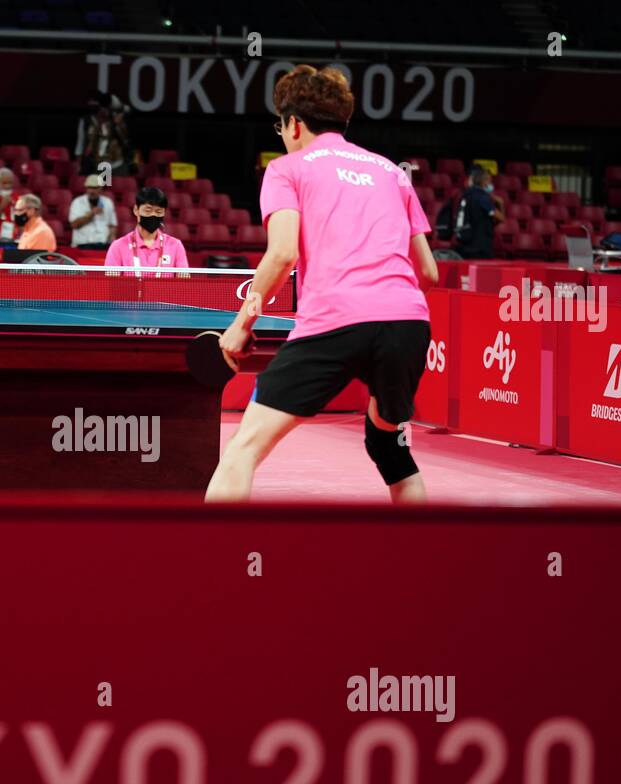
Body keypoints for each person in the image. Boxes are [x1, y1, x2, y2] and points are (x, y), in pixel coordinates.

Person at [205, 64, 439, 504]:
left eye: (281, 125)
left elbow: (282, 254)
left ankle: (215, 562)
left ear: (293, 123)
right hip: (408, 323)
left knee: (244, 448)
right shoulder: (392, 171)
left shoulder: (286, 169)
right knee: (389, 448)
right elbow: (428, 272)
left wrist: (241, 325)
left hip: (334, 320)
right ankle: (422, 560)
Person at [103, 186, 187, 271]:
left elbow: (183, 282)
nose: (153, 215)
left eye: (158, 212)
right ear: (136, 210)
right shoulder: (118, 246)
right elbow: (112, 281)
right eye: (148, 211)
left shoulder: (176, 246)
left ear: (164, 213)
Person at [75, 91, 131, 177]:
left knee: (118, 187)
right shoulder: (89, 122)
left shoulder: (117, 122)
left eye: (106, 108)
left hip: (117, 165)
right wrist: (80, 164)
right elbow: (83, 144)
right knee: (99, 188)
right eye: (101, 108)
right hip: (98, 164)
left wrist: (117, 124)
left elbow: (125, 141)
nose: (103, 110)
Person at [452, 165, 502, 259]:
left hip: (464, 245)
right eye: (489, 181)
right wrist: (501, 203)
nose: (490, 184)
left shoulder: (464, 195)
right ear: (483, 181)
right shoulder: (482, 197)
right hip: (480, 248)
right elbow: (500, 217)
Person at [68, 173, 117, 249]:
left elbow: (112, 226)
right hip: (82, 245)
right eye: (89, 188)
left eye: (95, 188)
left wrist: (112, 246)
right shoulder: (77, 202)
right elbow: (74, 225)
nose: (91, 191)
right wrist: (91, 214)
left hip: (102, 245)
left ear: (101, 188)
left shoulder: (108, 202)